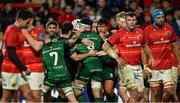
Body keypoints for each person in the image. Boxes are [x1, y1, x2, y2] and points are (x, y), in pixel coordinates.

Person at [102, 11, 155, 102]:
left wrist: (150, 58)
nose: (131, 22)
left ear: (136, 21)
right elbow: (105, 46)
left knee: (140, 94)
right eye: (129, 20)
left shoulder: (140, 32)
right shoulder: (119, 33)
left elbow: (144, 46)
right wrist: (117, 58)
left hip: (137, 66)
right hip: (125, 67)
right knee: (134, 92)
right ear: (125, 21)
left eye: (133, 20)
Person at [144, 8, 180, 102]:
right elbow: (143, 49)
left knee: (170, 92)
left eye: (162, 17)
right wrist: (145, 66)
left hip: (167, 66)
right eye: (158, 18)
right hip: (153, 67)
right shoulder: (147, 30)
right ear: (154, 19)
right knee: (155, 93)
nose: (161, 19)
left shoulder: (169, 28)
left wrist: (179, 62)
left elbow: (175, 46)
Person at [1, 10, 37, 102]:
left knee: (29, 95)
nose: (28, 24)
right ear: (20, 20)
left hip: (18, 69)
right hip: (10, 70)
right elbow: (11, 54)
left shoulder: (19, 30)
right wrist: (24, 68)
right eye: (27, 22)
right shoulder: (11, 30)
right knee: (7, 98)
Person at [41, 21, 78, 102]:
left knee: (61, 94)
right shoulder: (42, 37)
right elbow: (40, 38)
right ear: (46, 29)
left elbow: (70, 41)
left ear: (57, 29)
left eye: (54, 28)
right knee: (47, 96)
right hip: (44, 71)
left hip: (56, 71)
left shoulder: (59, 40)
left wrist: (81, 40)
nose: (52, 29)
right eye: (50, 27)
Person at [70, 17, 103, 102]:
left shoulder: (79, 37)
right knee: (97, 94)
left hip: (87, 65)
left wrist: (79, 38)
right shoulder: (97, 35)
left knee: (76, 88)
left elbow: (69, 42)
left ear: (82, 26)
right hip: (99, 65)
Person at [20, 19, 45, 102]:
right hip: (19, 69)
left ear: (30, 21)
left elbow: (38, 47)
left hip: (34, 69)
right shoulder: (16, 32)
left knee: (35, 97)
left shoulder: (40, 31)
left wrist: (26, 34)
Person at [95, 18, 118, 102]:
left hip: (109, 66)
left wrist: (103, 38)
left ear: (107, 27)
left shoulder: (111, 36)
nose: (100, 28)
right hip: (97, 67)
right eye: (98, 26)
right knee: (98, 92)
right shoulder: (94, 37)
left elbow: (115, 49)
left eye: (102, 26)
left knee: (108, 90)